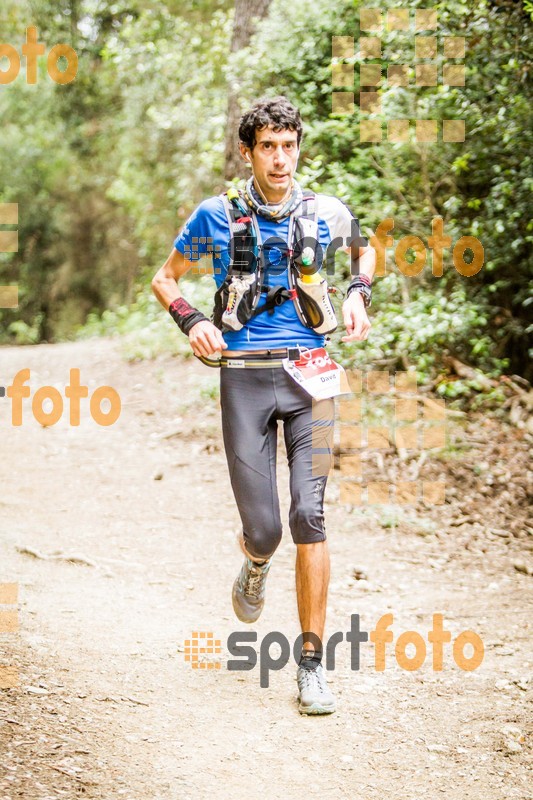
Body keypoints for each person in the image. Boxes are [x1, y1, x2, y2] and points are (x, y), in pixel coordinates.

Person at [151, 96, 375, 714]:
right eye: (268, 147)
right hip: (244, 379)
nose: (281, 158)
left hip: (311, 380)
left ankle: (311, 666)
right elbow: (164, 278)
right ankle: (253, 561)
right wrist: (192, 320)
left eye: (289, 145)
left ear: (299, 148)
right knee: (267, 528)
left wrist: (358, 294)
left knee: (310, 515)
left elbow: (365, 251)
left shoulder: (326, 211)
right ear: (247, 152)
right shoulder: (213, 217)